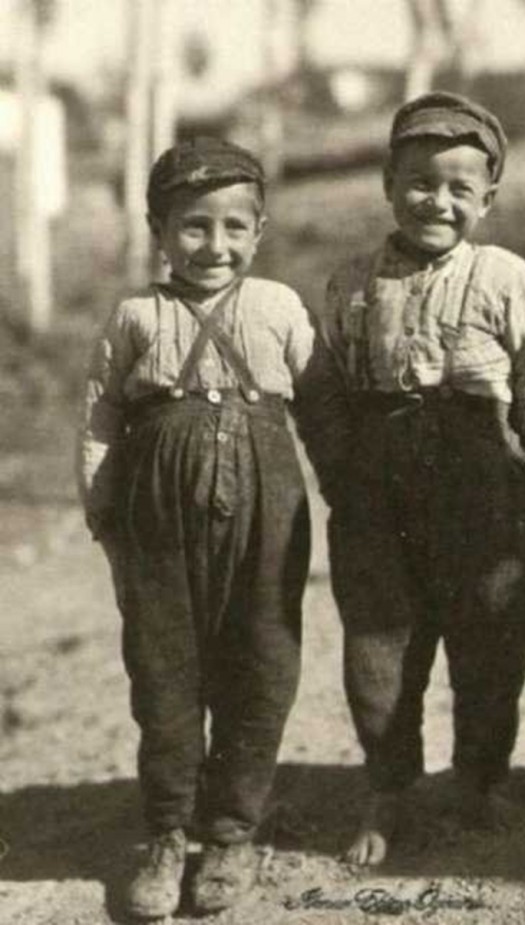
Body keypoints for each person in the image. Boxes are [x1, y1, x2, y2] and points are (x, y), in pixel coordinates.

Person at [297, 91, 525, 866]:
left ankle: (479, 778)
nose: (436, 201)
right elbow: (331, 391)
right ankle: (388, 787)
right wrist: (342, 480)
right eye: (419, 181)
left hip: (485, 478)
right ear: (387, 183)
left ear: (489, 198)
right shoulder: (349, 283)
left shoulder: (507, 278)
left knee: (490, 630)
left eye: (458, 187)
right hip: (378, 486)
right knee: (380, 639)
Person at [76, 137, 314, 918]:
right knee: (164, 668)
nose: (216, 246)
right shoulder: (136, 315)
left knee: (260, 662)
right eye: (194, 226)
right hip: (156, 519)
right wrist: (103, 512)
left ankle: (232, 831)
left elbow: (326, 411)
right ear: (158, 228)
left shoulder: (278, 307)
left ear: (259, 229)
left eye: (234, 227)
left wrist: (359, 502)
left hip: (265, 512)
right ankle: (168, 831)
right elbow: (101, 415)